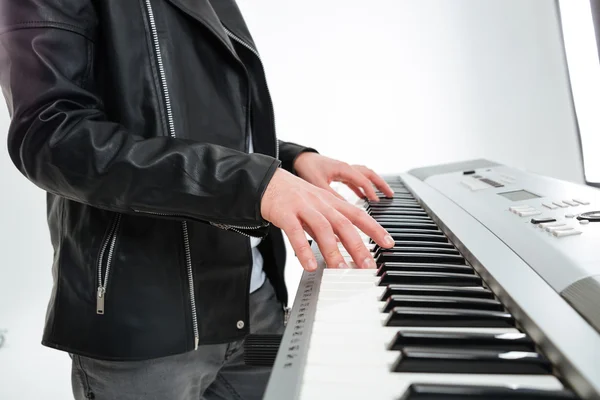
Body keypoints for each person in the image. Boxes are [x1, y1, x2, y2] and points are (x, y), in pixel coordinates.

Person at [0, 0, 395, 399]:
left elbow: (198, 128)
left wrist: (292, 160)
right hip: (146, 332)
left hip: (256, 304)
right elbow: (51, 137)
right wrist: (250, 182)